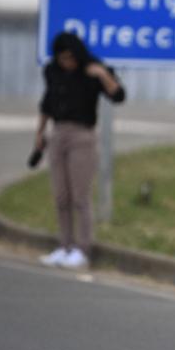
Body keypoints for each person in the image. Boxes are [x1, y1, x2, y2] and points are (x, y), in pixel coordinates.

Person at [34, 32, 125, 269]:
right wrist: (40, 133)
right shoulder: (52, 71)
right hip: (58, 132)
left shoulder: (92, 70)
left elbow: (118, 95)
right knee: (60, 195)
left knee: (80, 196)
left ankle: (82, 249)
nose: (67, 63)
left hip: (82, 135)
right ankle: (64, 246)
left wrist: (102, 75)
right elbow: (47, 103)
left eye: (70, 58)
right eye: (62, 58)